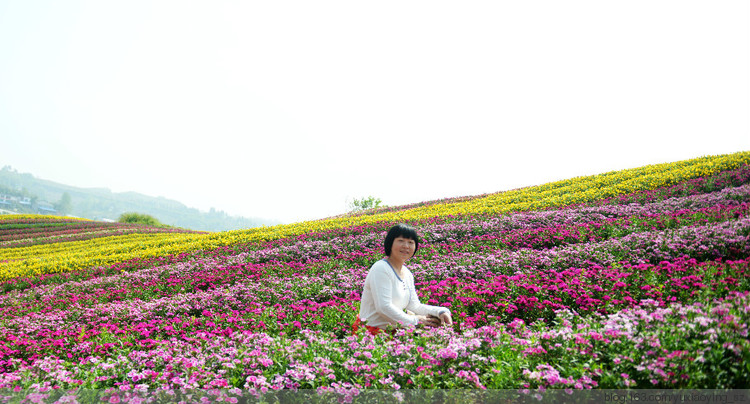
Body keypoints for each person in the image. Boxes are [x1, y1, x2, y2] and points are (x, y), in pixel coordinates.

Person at [353, 223, 453, 335]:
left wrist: (440, 311)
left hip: (395, 332)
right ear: (390, 243)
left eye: (411, 242)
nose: (406, 246)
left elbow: (414, 305)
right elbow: (383, 307)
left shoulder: (407, 274)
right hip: (371, 334)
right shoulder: (381, 268)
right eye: (401, 241)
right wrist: (416, 320)